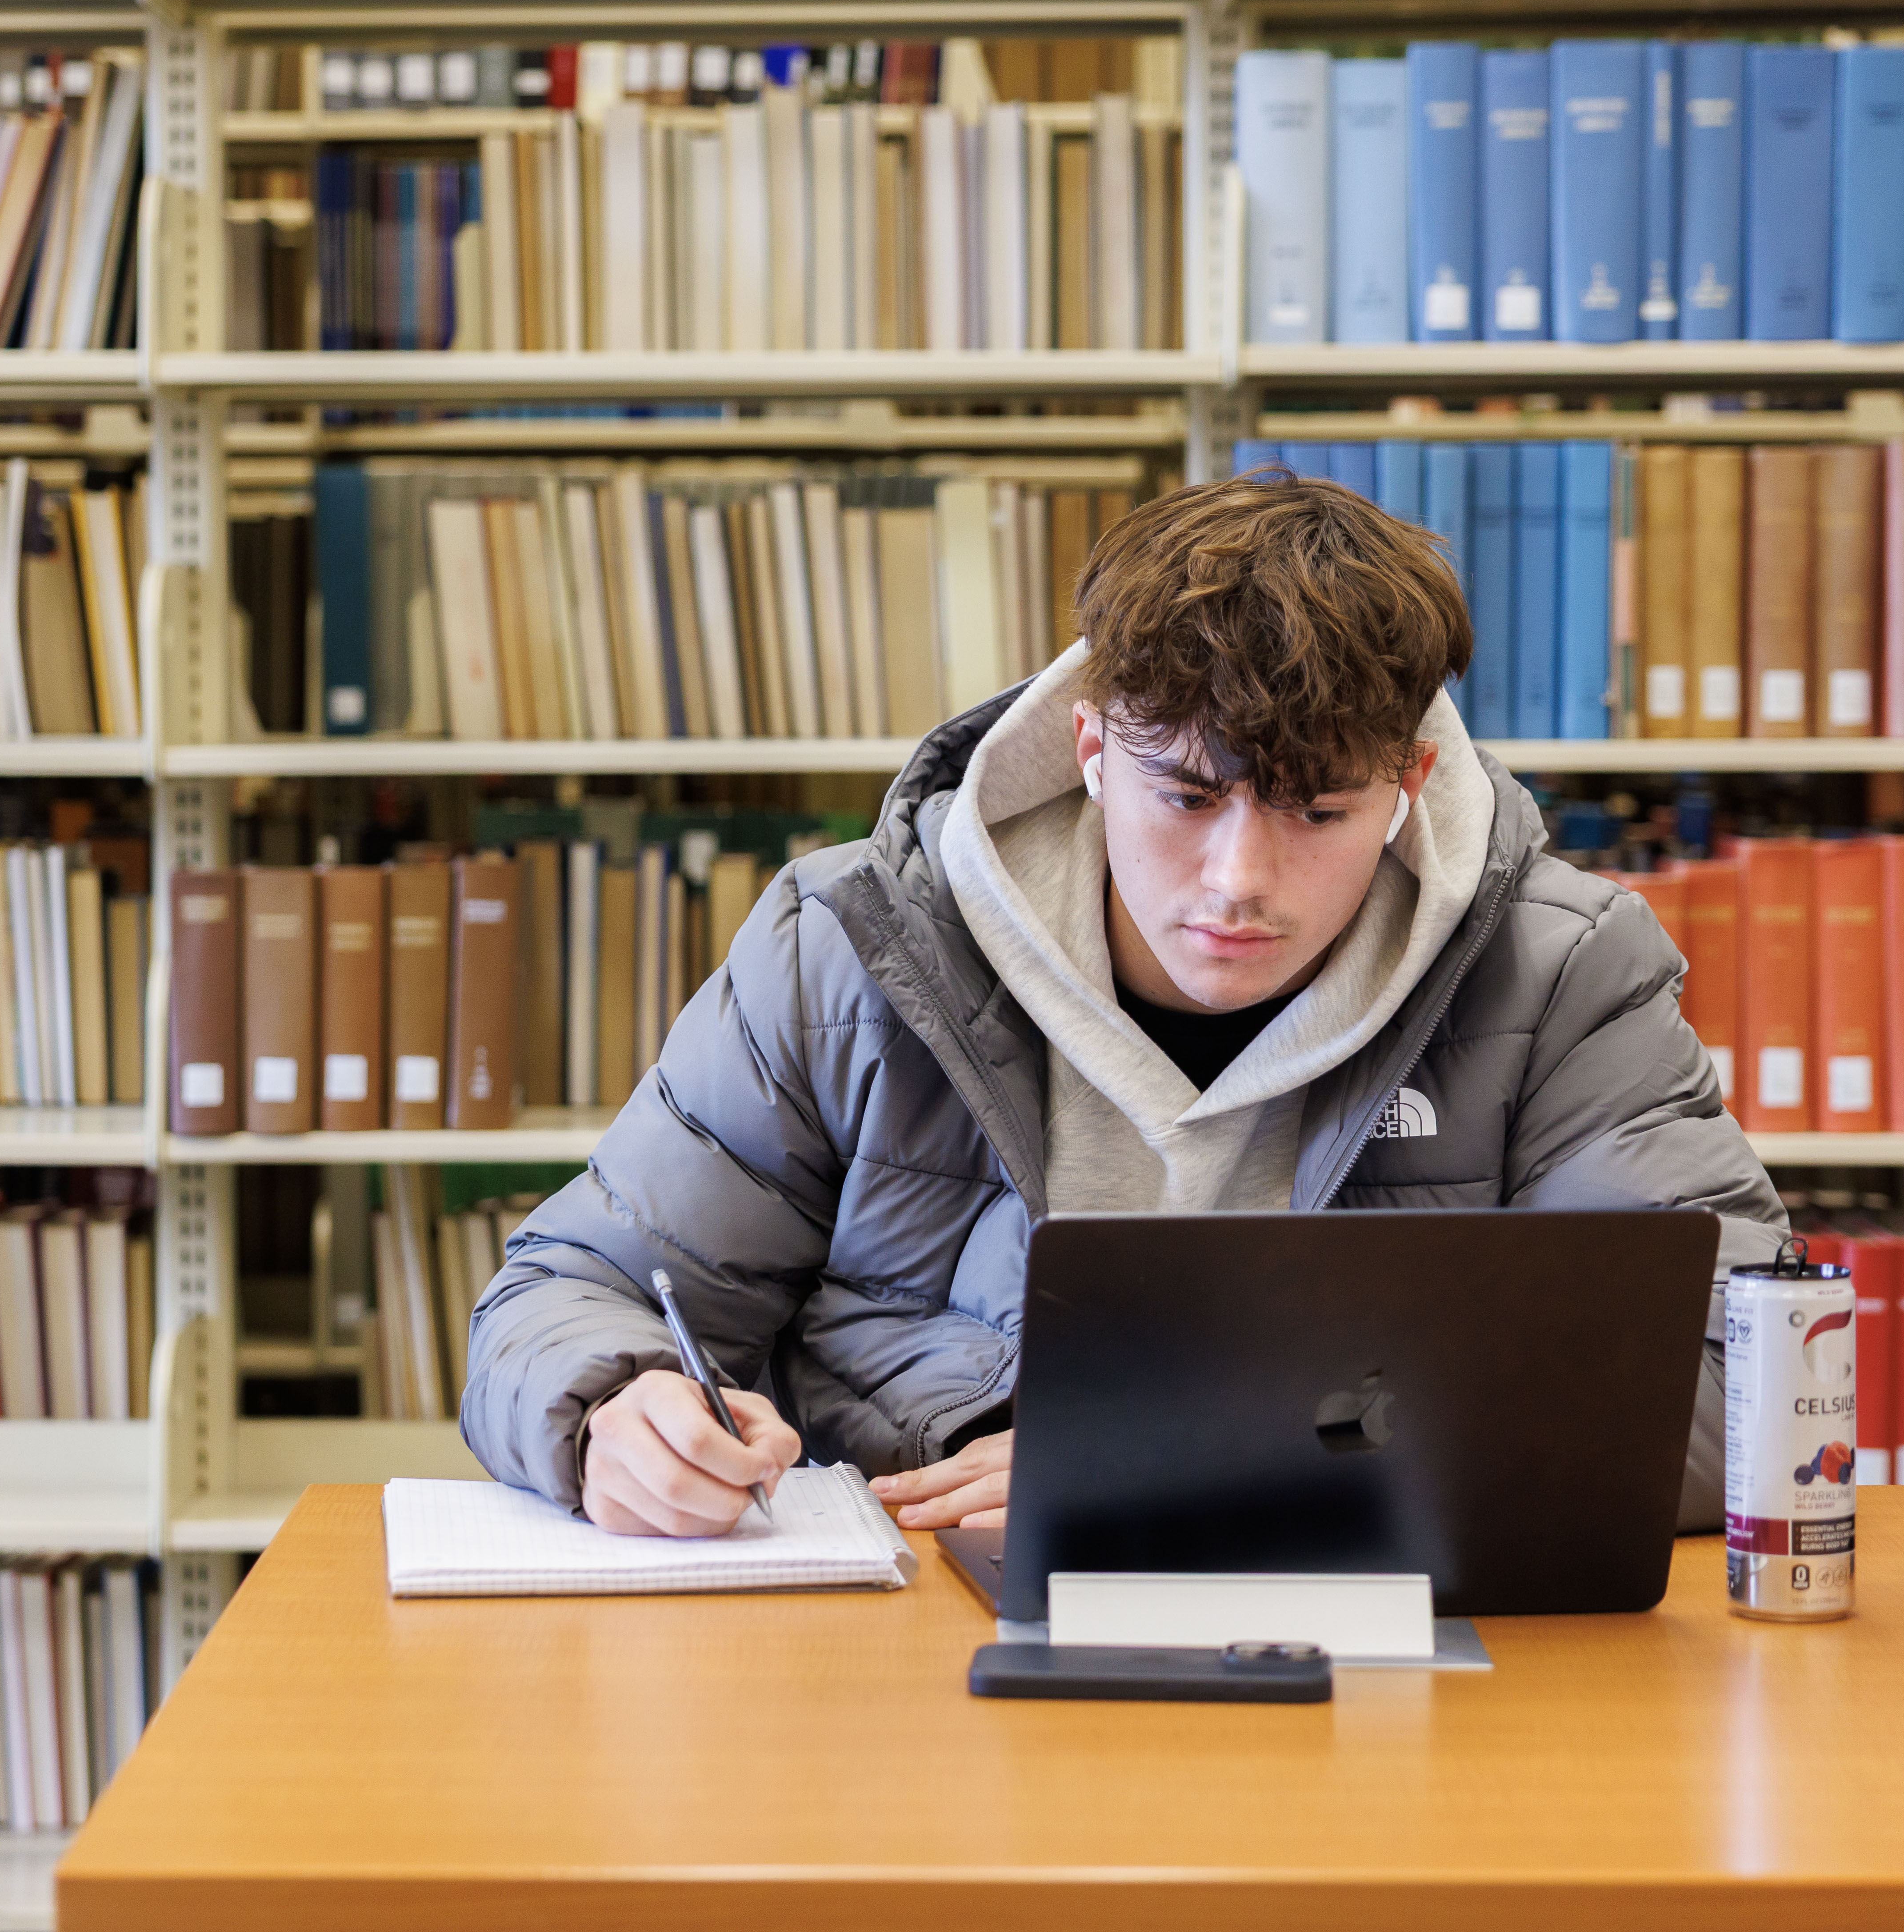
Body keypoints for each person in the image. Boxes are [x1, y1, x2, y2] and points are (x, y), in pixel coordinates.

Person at [459, 473, 1789, 1538]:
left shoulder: (1562, 969)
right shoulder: (847, 943)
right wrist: (609, 1415)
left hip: (1378, 1679)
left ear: (1409, 777)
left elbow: (1737, 1380)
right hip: (905, 1650)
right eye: (1187, 796)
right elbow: (565, 1290)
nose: (1238, 883)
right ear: (1093, 746)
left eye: (1320, 812)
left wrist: (1193, 1461)